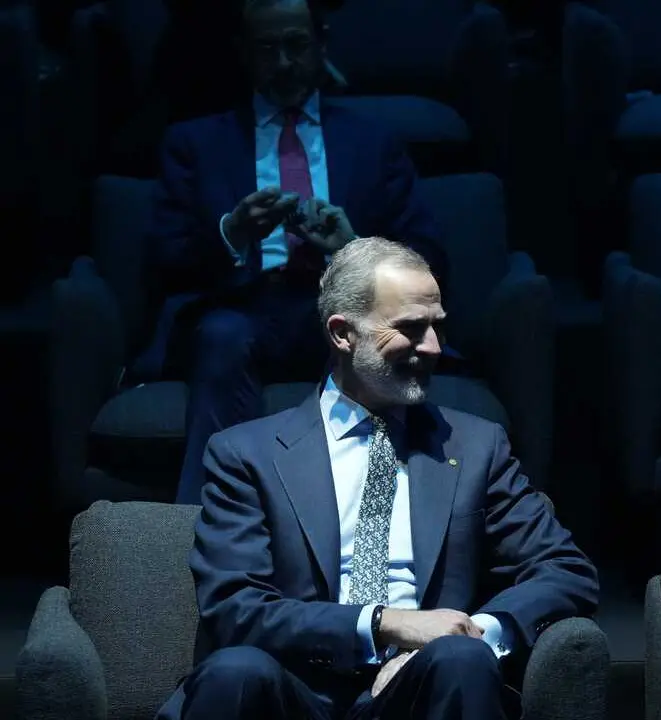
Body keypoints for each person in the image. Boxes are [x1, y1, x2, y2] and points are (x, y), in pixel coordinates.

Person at [156, 237, 598, 720]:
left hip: (428, 684)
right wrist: (387, 625)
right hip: (294, 687)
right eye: (411, 328)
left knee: (463, 659)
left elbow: (565, 569)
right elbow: (235, 607)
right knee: (234, 671)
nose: (433, 347)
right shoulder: (247, 454)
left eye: (438, 327)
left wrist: (468, 631)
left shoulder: (475, 446)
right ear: (343, 334)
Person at [142, 0, 448, 504]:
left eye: (296, 45)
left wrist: (354, 249)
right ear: (243, 54)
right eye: (267, 48)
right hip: (244, 308)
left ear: (320, 46)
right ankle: (206, 527)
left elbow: (431, 255)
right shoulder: (194, 143)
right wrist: (232, 233)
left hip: (345, 309)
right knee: (221, 334)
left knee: (373, 337)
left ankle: (385, 529)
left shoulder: (374, 141)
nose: (283, 62)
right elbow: (161, 260)